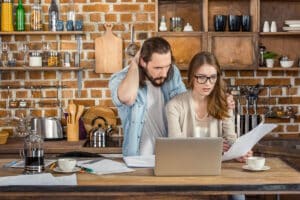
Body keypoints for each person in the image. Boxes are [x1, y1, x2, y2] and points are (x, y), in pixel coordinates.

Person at [165, 51, 251, 200]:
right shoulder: (174, 105)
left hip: (217, 169)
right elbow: (175, 146)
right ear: (192, 77)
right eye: (202, 78)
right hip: (186, 170)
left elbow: (230, 138)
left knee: (238, 194)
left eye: (212, 77)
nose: (208, 83)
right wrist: (213, 147)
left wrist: (239, 151)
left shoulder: (224, 102)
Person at [109, 37, 186, 156]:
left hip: (169, 156)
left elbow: (184, 107)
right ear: (143, 62)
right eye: (158, 68)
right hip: (137, 158)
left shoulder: (173, 73)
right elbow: (127, 98)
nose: (164, 74)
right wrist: (134, 63)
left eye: (167, 66)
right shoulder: (119, 78)